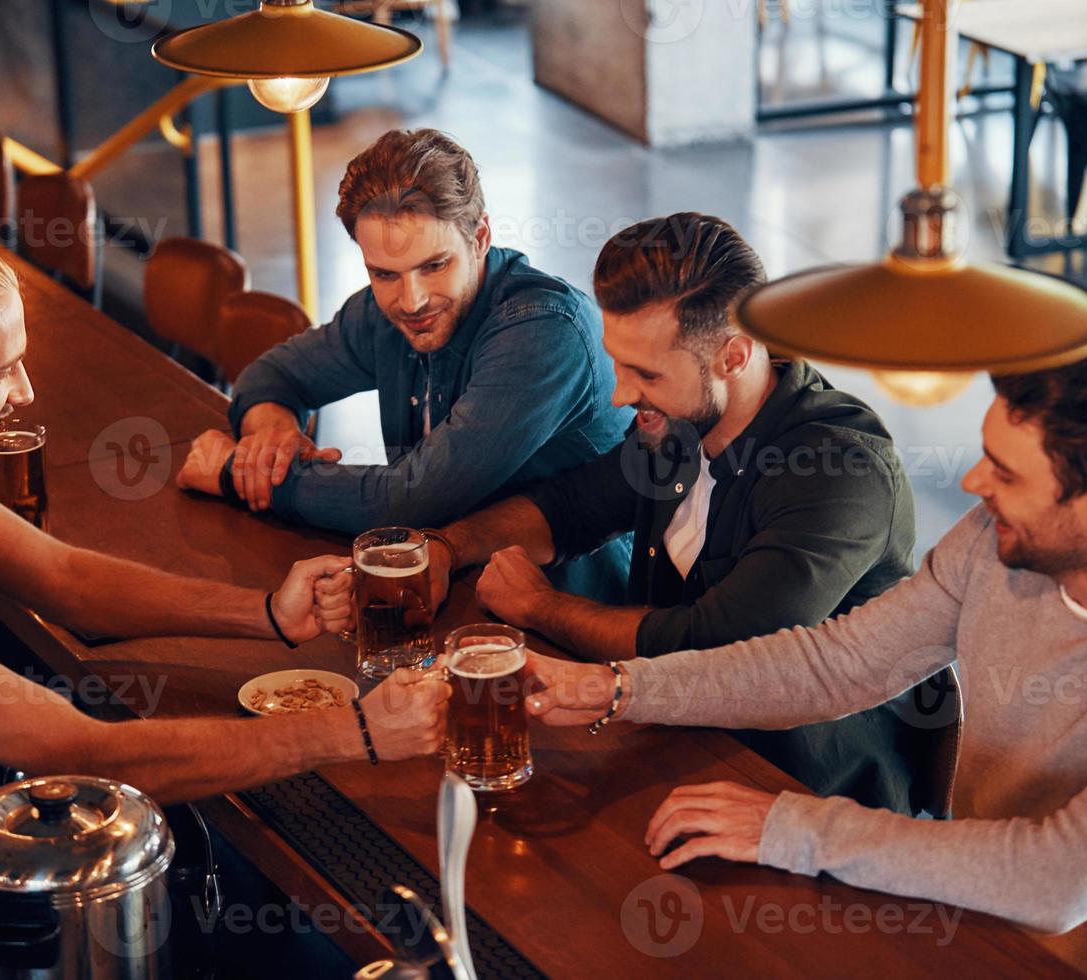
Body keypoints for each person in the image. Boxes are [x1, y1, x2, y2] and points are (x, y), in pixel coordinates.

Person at [0, 227, 447, 975]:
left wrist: (266, 613)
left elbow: (62, 579)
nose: (25, 391)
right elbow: (81, 754)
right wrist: (356, 731)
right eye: (4, 369)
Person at [524, 310, 1087, 980]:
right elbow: (840, 663)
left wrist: (791, 828)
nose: (971, 484)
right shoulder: (998, 544)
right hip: (957, 921)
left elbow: (1055, 878)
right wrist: (616, 688)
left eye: (1006, 473)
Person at [320, 213, 929, 813]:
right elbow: (572, 505)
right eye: (618, 361)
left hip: (803, 795)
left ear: (734, 357)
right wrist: (447, 548)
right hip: (668, 744)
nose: (619, 393)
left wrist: (541, 608)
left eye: (645, 372)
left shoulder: (839, 475)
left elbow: (718, 647)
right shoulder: (682, 424)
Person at [175, 128, 633, 601]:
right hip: (446, 589)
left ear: (479, 239)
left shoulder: (542, 331)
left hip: (571, 620)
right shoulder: (383, 312)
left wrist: (238, 475)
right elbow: (272, 377)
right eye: (384, 273)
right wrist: (269, 443)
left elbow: (413, 499)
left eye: (434, 266)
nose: (411, 301)